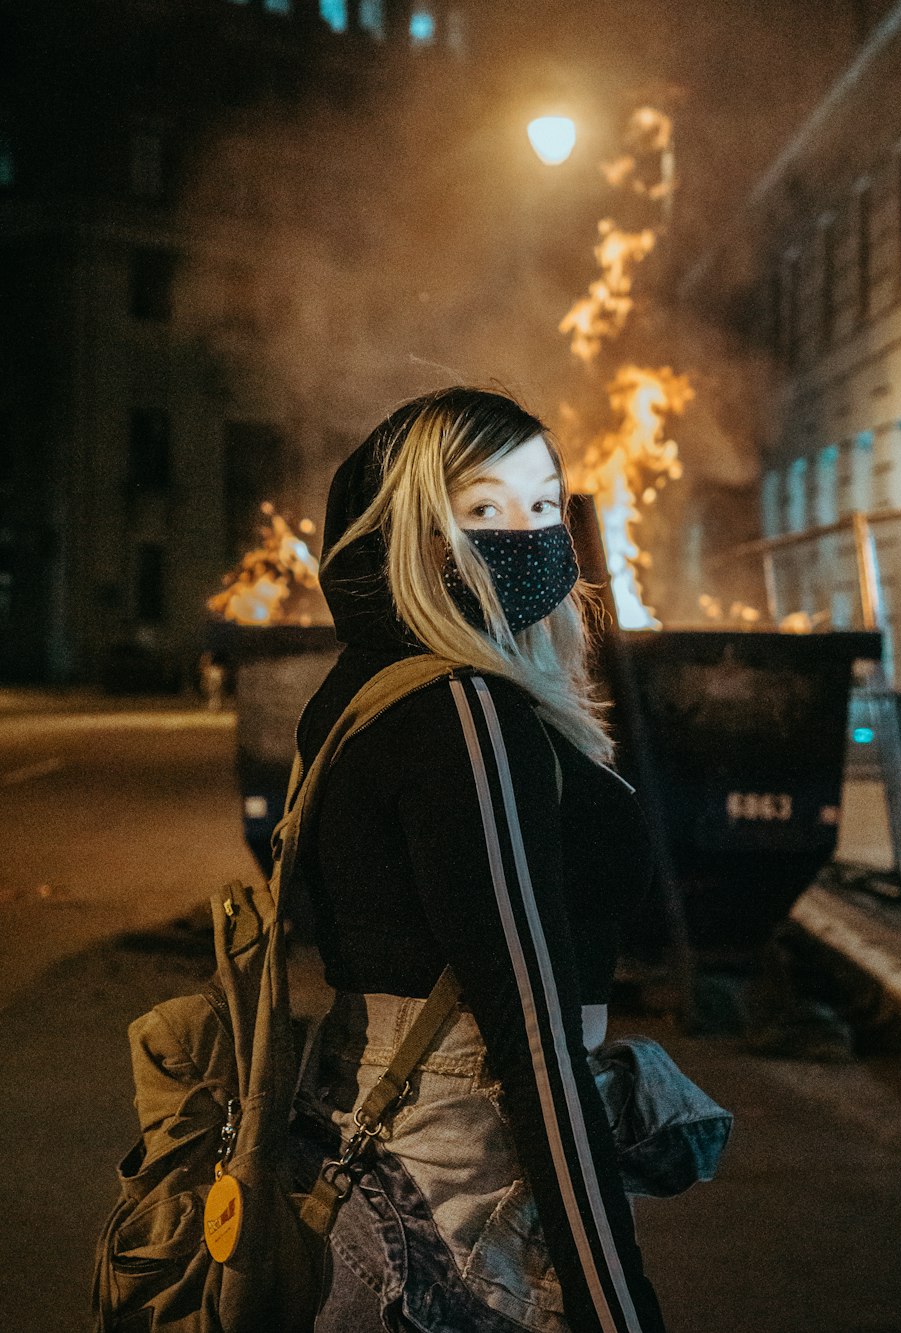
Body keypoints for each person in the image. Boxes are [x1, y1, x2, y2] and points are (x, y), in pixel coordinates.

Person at [290, 386, 667, 1333]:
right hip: (462, 1187)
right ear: (416, 526)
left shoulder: (362, 686)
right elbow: (531, 1043)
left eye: (546, 506)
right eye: (485, 507)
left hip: (377, 1150)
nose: (530, 533)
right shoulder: (463, 711)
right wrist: (616, 1302)